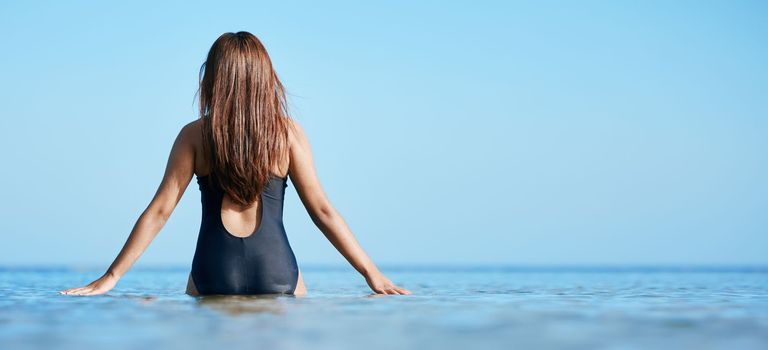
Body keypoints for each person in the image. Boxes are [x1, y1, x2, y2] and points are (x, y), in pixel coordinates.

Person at [59, 31, 411, 297]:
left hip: (213, 268)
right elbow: (321, 210)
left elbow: (160, 211)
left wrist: (111, 277)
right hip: (277, 268)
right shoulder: (288, 135)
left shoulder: (194, 135)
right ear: (265, 79)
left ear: (213, 79)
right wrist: (371, 273)